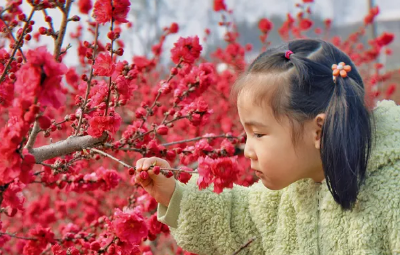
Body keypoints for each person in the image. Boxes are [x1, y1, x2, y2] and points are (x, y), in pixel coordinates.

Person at [134, 39, 400, 254]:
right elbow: (237, 216)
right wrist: (173, 193)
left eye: (259, 133)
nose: (247, 150)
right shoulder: (292, 193)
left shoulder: (391, 190)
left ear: (318, 130)